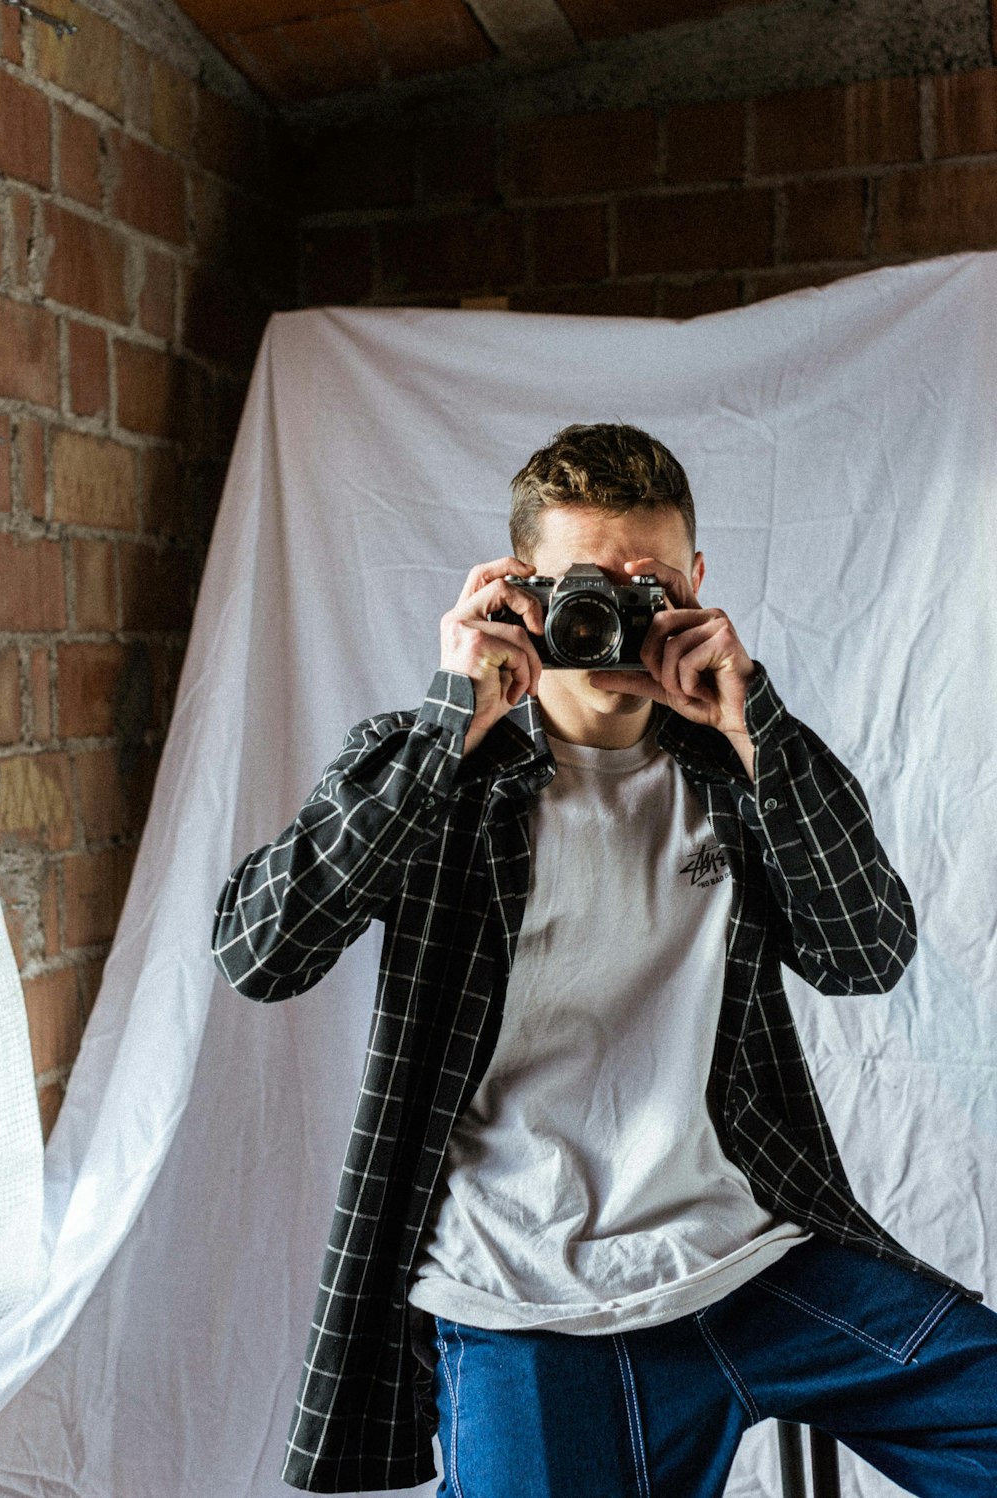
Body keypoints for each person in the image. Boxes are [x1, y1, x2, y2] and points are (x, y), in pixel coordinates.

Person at [212, 424, 997, 1498]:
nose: (620, 622)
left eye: (652, 587)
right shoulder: (440, 768)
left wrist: (754, 724)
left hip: (755, 1259)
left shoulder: (741, 764)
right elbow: (259, 951)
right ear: (516, 594)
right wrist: (453, 718)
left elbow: (867, 953)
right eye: (588, 590)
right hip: (527, 1301)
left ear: (698, 584)